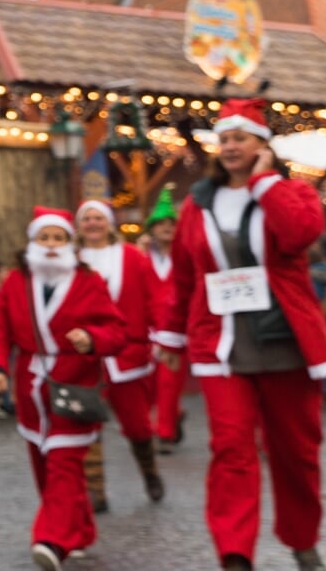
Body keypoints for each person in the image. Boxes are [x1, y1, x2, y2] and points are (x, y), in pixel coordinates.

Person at [152, 98, 326, 571]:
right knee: (231, 449)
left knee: (295, 453)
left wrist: (265, 183)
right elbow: (184, 278)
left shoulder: (290, 193)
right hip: (222, 343)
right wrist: (171, 338)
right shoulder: (198, 205)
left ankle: (301, 539)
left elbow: (298, 234)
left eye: (240, 138)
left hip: (287, 344)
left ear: (263, 145)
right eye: (224, 139)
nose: (230, 147)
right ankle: (235, 554)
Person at [0, 207, 126, 571]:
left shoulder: (89, 282)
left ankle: (51, 540)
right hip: (30, 389)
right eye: (45, 238)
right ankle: (81, 530)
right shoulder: (15, 284)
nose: (52, 245)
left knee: (63, 464)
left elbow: (117, 330)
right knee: (45, 466)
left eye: (59, 238)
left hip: (74, 385)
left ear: (71, 244)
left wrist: (91, 339)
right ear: (32, 243)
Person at [72, 199, 164, 511]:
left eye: (99, 218)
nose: (93, 224)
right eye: (87, 219)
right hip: (83, 355)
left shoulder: (131, 258)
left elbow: (153, 296)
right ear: (79, 225)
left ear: (109, 223)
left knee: (137, 424)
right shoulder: (71, 259)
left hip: (126, 351)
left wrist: (160, 334)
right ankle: (95, 490)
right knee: (87, 420)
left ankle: (149, 471)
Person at [143, 187, 190, 454]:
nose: (167, 229)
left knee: (169, 381)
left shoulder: (185, 257)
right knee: (149, 384)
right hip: (148, 330)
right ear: (152, 229)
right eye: (161, 224)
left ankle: (164, 433)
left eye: (171, 224)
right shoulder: (142, 258)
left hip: (176, 330)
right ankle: (172, 416)